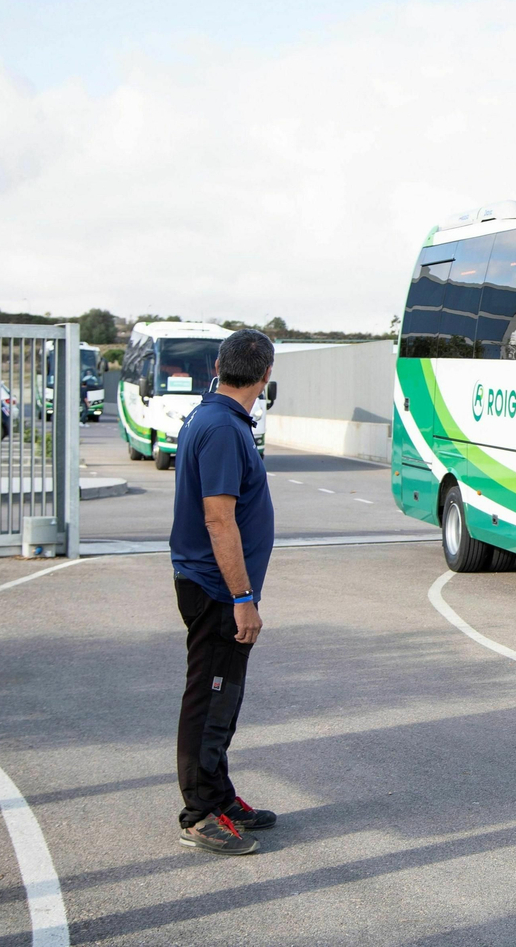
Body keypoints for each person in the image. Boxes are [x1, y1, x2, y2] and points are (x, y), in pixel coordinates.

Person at [168, 329, 277, 855]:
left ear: (218, 364)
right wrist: (242, 597)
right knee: (208, 699)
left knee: (223, 698)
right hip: (216, 590)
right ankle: (198, 813)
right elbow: (218, 519)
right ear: (266, 375)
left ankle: (219, 794)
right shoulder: (221, 428)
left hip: (216, 587)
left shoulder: (216, 419)